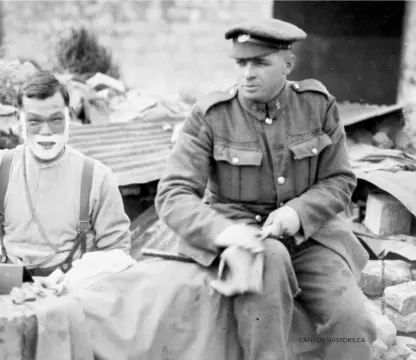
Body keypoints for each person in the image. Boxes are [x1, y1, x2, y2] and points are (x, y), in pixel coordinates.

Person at [154, 18, 377, 360]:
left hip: (309, 237)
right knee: (266, 303)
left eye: (260, 63)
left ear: (288, 64)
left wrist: (297, 212)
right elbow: (173, 194)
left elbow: (339, 179)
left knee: (353, 322)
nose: (247, 73)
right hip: (245, 236)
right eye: (241, 63)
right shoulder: (212, 115)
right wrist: (225, 232)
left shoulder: (318, 106)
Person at [0, 71, 131, 275]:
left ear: (70, 116)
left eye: (56, 120)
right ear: (18, 119)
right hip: (9, 287)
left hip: (71, 291)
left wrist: (81, 282)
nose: (46, 131)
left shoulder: (97, 177)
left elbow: (117, 256)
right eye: (34, 121)